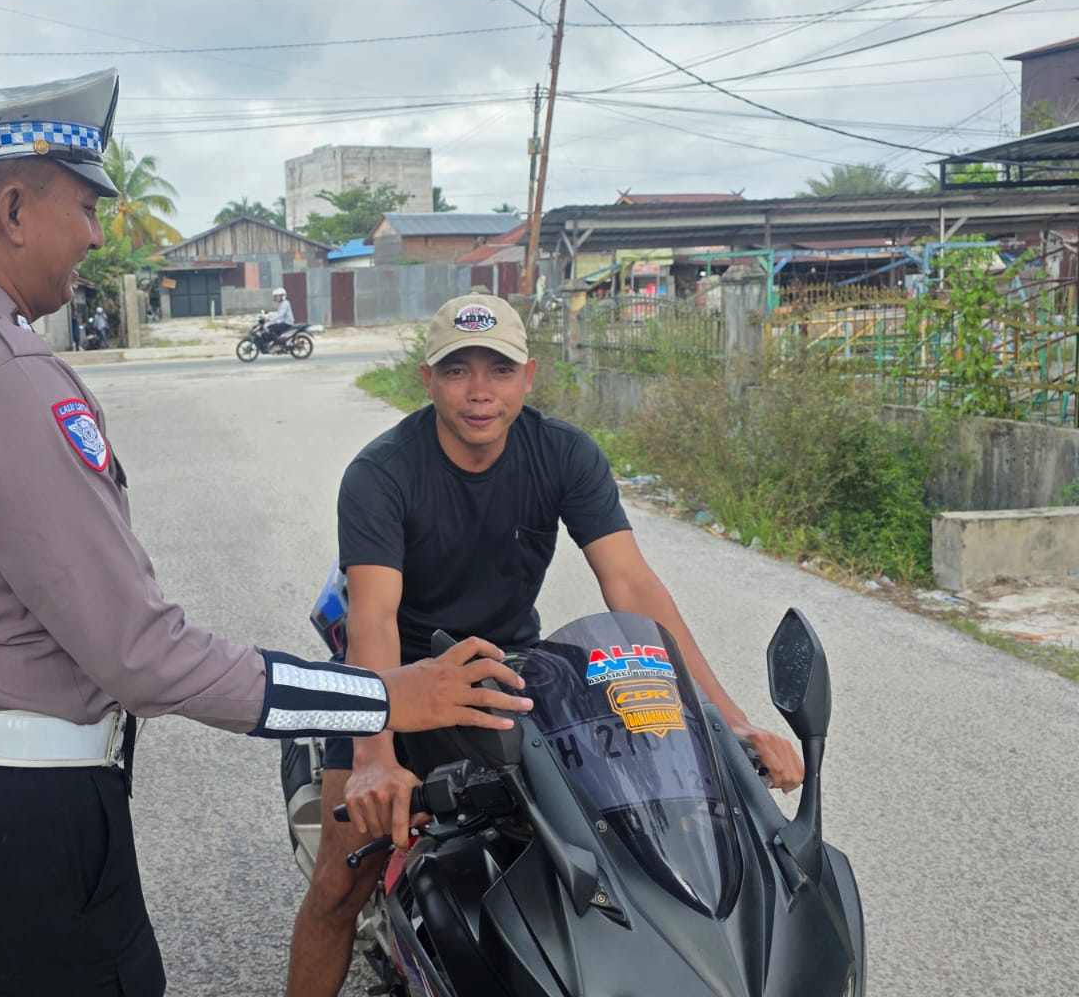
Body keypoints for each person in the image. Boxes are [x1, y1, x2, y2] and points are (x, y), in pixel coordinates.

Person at [0, 70, 534, 997]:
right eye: (85, 205)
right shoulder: (9, 375)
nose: (97, 233)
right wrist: (377, 700)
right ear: (14, 207)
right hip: (17, 827)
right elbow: (143, 655)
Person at [284, 292, 805, 997]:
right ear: (427, 380)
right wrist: (376, 758)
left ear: (528, 377)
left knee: (616, 831)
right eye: (457, 370)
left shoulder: (563, 454)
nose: (478, 392)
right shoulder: (381, 474)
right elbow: (372, 619)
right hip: (400, 683)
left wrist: (726, 720)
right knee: (340, 883)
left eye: (497, 370)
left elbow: (631, 585)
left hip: (509, 676)